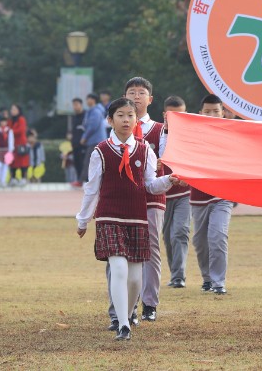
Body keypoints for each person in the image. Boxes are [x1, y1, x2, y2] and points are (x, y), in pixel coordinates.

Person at [75, 98, 178, 341]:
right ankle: (123, 325)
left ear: (135, 119)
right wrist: (83, 220)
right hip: (109, 216)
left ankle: (130, 312)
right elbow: (92, 189)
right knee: (119, 268)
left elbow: (151, 185)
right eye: (120, 115)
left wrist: (169, 181)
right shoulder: (100, 151)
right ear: (110, 120)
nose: (126, 120)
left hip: (137, 218)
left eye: (130, 115)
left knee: (134, 279)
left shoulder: (145, 150)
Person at [123, 77, 166, 322]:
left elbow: (171, 158)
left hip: (152, 195)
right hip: (126, 197)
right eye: (132, 92)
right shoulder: (118, 126)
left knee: (150, 250)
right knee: (127, 252)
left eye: (141, 93)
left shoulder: (159, 129)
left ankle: (150, 303)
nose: (137, 96)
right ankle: (130, 302)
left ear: (150, 99)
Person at [190, 94, 235, 294]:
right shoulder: (192, 136)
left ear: (223, 113)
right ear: (200, 113)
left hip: (223, 196)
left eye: (215, 111)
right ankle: (207, 278)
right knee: (200, 242)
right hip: (199, 197)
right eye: (207, 111)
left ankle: (219, 283)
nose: (211, 115)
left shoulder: (232, 133)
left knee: (217, 236)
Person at [160, 95, 192, 289]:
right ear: (165, 116)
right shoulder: (156, 133)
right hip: (162, 194)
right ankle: (175, 274)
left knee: (179, 232)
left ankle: (179, 276)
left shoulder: (191, 136)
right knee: (167, 236)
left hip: (184, 194)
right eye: (173, 117)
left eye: (182, 116)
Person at [80, 94, 106, 183]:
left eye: (89, 99)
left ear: (93, 100)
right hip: (95, 140)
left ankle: (82, 180)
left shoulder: (96, 112)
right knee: (96, 161)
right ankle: (91, 180)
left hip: (96, 140)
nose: (87, 101)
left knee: (89, 160)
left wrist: (84, 137)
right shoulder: (92, 111)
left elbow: (92, 126)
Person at [8, 104, 29, 186]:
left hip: (20, 143)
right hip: (12, 144)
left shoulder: (21, 119)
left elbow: (20, 130)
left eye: (14, 109)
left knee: (22, 161)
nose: (12, 111)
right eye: (11, 109)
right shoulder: (10, 120)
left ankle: (23, 178)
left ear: (18, 110)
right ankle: (13, 178)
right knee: (12, 162)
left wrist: (10, 132)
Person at [70, 98, 86, 187]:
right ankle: (79, 180)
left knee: (83, 162)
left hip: (83, 143)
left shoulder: (85, 115)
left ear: (81, 105)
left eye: (76, 104)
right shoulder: (74, 117)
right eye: (74, 105)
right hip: (75, 143)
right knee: (76, 162)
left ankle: (85, 180)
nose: (75, 107)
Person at [0, 113, 14, 187]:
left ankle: (3, 181)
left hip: (7, 150)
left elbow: (11, 141)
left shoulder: (9, 131)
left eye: (4, 121)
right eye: (1, 121)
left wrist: (10, 151)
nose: (3, 123)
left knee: (5, 166)